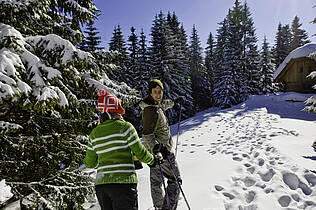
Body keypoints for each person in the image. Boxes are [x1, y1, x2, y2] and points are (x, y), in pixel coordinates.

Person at [84, 89, 158, 210]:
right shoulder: (125, 128)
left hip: (102, 187)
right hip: (123, 184)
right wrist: (154, 160)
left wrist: (103, 163)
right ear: (116, 112)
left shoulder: (94, 133)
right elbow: (141, 153)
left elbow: (89, 163)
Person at [140, 79, 185, 210]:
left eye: (160, 92)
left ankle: (159, 207)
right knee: (175, 180)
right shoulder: (150, 111)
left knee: (156, 182)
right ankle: (168, 208)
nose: (159, 95)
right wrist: (157, 149)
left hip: (155, 154)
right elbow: (147, 135)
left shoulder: (156, 105)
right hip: (162, 152)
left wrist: (175, 102)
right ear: (150, 93)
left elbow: (164, 105)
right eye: (155, 92)